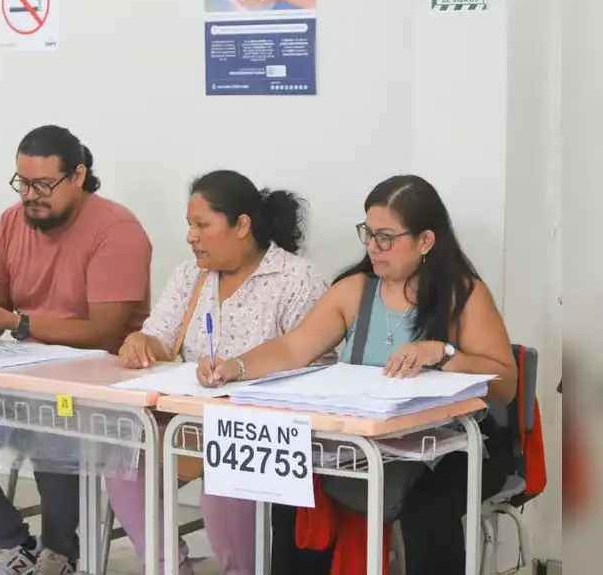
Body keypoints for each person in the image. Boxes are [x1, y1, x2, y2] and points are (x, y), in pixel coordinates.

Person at [197, 175, 518, 575]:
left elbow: (505, 381)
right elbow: (295, 347)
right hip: (362, 445)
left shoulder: (465, 296)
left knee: (426, 513)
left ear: (425, 242)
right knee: (292, 490)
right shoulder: (355, 291)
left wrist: (444, 352)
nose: (372, 247)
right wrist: (237, 367)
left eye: (386, 237)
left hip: (450, 448)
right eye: (368, 234)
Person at [0, 125, 153, 575]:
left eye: (43, 185)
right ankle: (11, 542)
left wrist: (18, 323)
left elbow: (106, 331)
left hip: (100, 376)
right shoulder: (12, 221)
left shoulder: (116, 228)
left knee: (53, 412)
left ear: (79, 175)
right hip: (24, 369)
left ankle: (60, 554)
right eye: (23, 184)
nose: (30, 196)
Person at [114, 170, 328, 575]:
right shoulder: (190, 275)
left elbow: (315, 365)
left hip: (260, 434)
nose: (191, 237)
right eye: (189, 226)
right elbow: (158, 337)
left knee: (224, 483)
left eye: (202, 225)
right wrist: (141, 344)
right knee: (123, 464)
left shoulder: (295, 278)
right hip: (186, 424)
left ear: (242, 225)